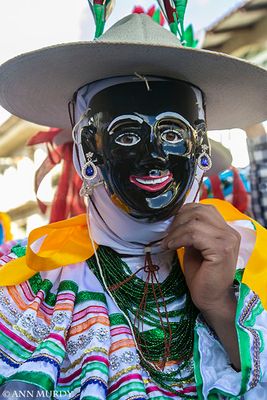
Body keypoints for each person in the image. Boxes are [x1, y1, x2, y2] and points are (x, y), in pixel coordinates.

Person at [0, 6, 266, 400]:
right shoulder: (25, 281)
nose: (155, 156)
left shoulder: (251, 261)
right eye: (126, 135)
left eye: (173, 132)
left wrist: (220, 305)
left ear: (201, 148)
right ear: (87, 155)